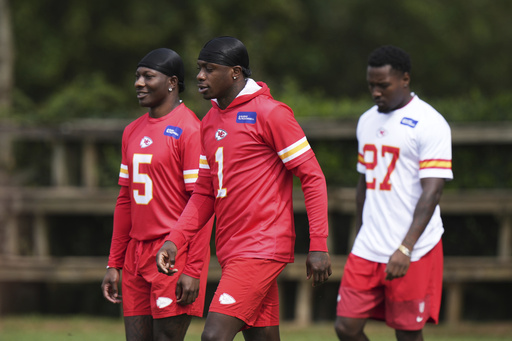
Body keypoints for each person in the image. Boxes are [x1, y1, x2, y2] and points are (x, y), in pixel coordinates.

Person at [156, 36, 332, 341]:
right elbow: (204, 193)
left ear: (235, 73)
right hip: (231, 249)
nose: (199, 76)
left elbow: (312, 176)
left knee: (213, 336)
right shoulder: (209, 121)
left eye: (209, 69)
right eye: (199, 68)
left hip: (262, 246)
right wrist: (175, 241)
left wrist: (318, 243)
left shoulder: (271, 113)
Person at [334, 45, 453, 341]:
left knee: (407, 333)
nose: (375, 92)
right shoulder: (366, 120)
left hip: (414, 247)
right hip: (369, 246)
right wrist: (360, 233)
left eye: (383, 85)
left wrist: (405, 248)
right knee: (346, 328)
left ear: (405, 80)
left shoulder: (430, 122)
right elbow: (364, 184)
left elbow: (433, 192)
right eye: (371, 85)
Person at [101, 48, 213, 341]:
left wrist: (194, 270)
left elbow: (201, 204)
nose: (138, 83)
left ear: (172, 82)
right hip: (135, 257)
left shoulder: (190, 129)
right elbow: (125, 201)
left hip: (173, 256)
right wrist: (114, 263)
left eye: (148, 76)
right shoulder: (131, 131)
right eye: (137, 76)